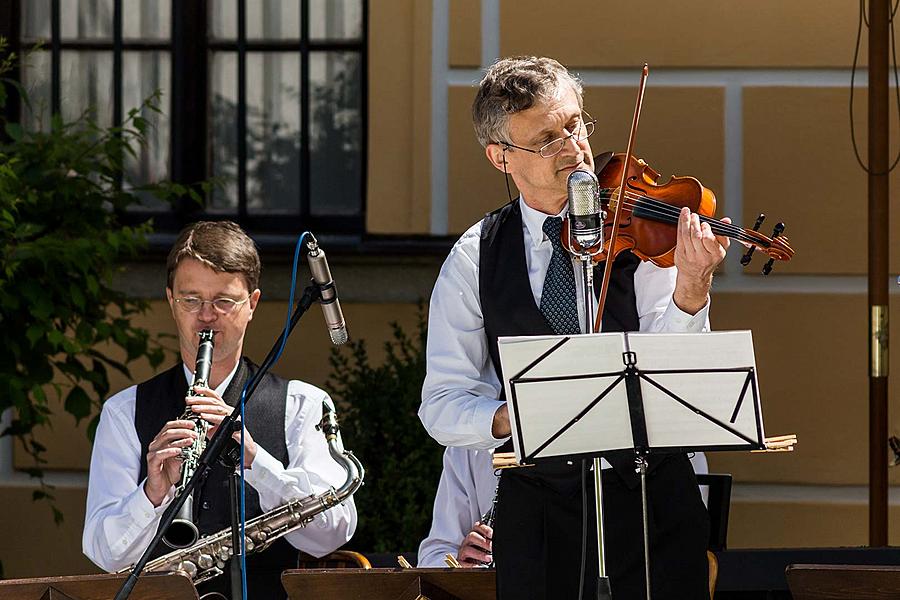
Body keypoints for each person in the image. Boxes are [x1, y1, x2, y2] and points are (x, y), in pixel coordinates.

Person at [419, 56, 729, 599]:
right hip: (538, 513)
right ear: (500, 158)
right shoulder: (474, 256)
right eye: (545, 139)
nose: (572, 147)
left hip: (651, 502)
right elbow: (443, 404)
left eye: (575, 125)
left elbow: (677, 371)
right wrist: (520, 412)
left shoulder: (640, 230)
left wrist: (691, 288)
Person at [83, 221, 357, 598]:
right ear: (171, 301)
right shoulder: (124, 411)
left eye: (224, 301)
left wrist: (256, 461)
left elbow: (332, 532)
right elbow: (105, 554)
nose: (206, 316)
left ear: (252, 305)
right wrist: (152, 494)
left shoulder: (303, 404)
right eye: (191, 300)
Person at [416, 449, 709, 569]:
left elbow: (682, 545)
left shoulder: (668, 445)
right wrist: (460, 563)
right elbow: (433, 554)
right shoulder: (470, 443)